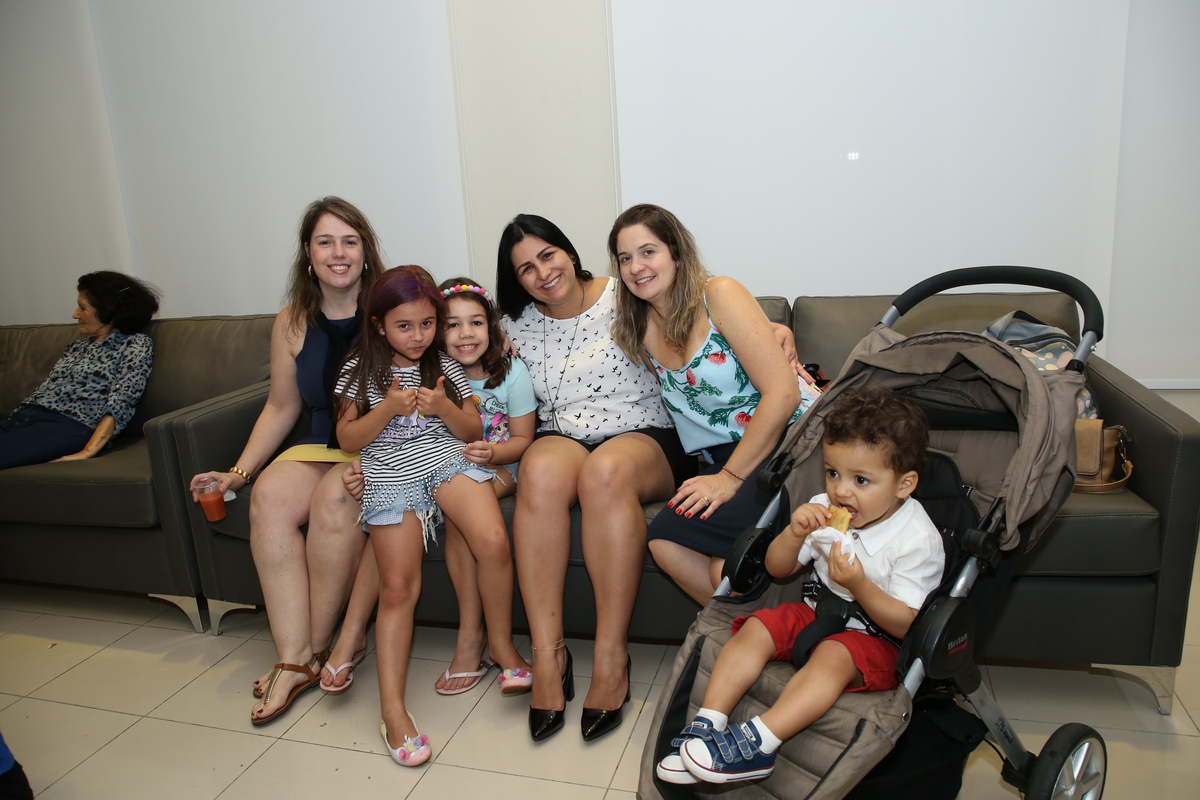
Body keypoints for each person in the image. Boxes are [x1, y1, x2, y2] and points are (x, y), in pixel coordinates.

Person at [657, 387, 945, 784]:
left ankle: (760, 744)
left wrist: (859, 584)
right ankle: (708, 724)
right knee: (757, 626)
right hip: (819, 611)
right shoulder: (825, 507)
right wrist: (794, 533)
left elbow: (906, 623)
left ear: (904, 484)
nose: (841, 490)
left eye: (861, 480)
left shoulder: (916, 539)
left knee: (834, 654)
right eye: (833, 473)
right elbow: (780, 569)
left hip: (879, 638)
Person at [495, 214, 697, 743]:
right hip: (562, 435)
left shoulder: (623, 293)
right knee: (538, 471)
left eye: (548, 255)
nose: (542, 273)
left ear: (569, 251)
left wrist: (776, 331)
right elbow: (449, 350)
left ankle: (611, 658)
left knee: (604, 473)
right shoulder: (512, 324)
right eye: (525, 268)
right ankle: (549, 655)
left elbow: (701, 317)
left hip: (644, 433)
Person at [187, 197, 383, 725]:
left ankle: (307, 655)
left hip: (381, 447)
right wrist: (237, 473)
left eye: (349, 241)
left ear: (366, 251)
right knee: (269, 497)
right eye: (325, 242)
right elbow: (281, 406)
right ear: (307, 253)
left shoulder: (390, 310)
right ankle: (296, 655)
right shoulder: (292, 322)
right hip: (320, 443)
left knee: (336, 497)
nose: (338, 253)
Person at [333, 265, 525, 767]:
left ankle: (502, 648)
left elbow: (471, 429)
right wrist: (387, 409)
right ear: (378, 325)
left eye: (426, 324)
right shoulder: (359, 369)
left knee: (493, 542)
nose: (418, 336)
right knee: (398, 588)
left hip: (444, 458)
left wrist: (441, 406)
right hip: (388, 471)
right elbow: (348, 438)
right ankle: (392, 711)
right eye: (404, 326)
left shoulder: (443, 363)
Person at [610, 204, 820, 603]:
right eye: (625, 258)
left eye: (648, 251)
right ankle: (749, 629)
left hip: (790, 440)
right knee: (664, 541)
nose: (636, 267)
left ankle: (761, 629)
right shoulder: (639, 329)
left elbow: (783, 394)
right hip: (723, 455)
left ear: (675, 252)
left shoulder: (718, 294)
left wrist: (729, 478)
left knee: (722, 569)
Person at [1, 271, 159, 470]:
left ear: (108, 311)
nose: (75, 314)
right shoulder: (77, 347)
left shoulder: (134, 344)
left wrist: (89, 450)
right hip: (21, 419)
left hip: (67, 425)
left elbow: (122, 401)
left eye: (83, 308)